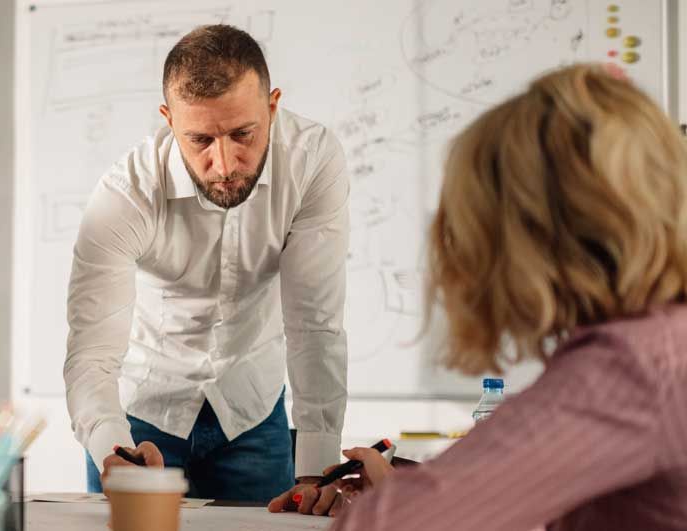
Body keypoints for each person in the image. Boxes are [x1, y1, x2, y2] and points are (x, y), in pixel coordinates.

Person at [276, 64, 687, 529]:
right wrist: (408, 483)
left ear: (528, 235)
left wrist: (405, 497)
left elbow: (389, 524)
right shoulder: (665, 340)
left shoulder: (631, 369)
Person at [63, 23, 350, 503]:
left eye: (244, 133)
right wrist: (112, 447)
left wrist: (317, 466)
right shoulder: (125, 195)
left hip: (252, 411)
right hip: (141, 416)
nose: (225, 162)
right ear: (168, 120)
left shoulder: (312, 161)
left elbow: (314, 321)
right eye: (199, 140)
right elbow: (91, 350)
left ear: (273, 106)